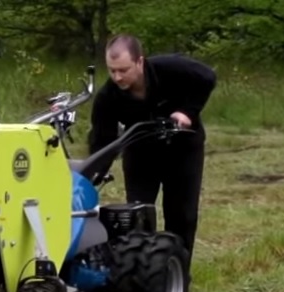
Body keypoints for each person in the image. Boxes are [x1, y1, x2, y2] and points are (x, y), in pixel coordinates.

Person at [87, 33, 217, 269]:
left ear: (140, 62)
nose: (117, 77)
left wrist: (188, 112)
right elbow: (102, 142)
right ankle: (139, 274)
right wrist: (89, 178)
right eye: (112, 70)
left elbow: (208, 77)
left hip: (183, 151)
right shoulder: (107, 97)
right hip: (141, 155)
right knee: (137, 216)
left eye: (123, 70)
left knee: (181, 216)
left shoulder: (171, 68)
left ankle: (177, 277)